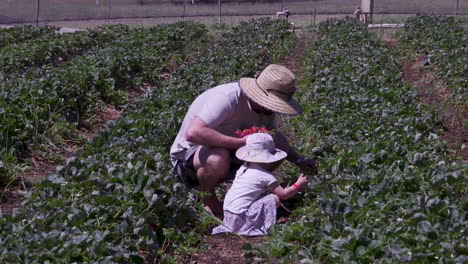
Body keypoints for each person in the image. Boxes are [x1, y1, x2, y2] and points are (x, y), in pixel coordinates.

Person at [170, 64, 317, 216]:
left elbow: (273, 137)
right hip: (189, 158)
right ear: (260, 96)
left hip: (231, 153)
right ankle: (209, 200)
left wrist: (299, 160)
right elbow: (193, 133)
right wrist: (241, 142)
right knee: (218, 156)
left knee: (274, 141)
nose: (273, 109)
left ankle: (244, 191)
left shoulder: (266, 109)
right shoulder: (227, 98)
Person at [212, 133, 308, 236]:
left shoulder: (244, 167)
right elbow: (283, 194)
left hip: (228, 213)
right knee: (274, 198)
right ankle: (254, 224)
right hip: (240, 218)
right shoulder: (265, 176)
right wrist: (298, 185)